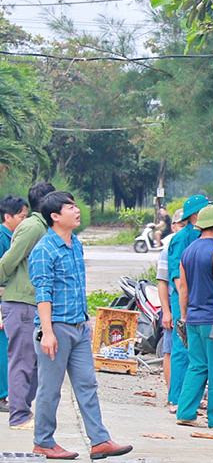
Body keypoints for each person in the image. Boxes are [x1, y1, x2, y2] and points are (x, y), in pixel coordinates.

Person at [29, 191, 132, 460]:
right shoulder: (44, 250)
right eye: (70, 207)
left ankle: (99, 440)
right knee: (50, 389)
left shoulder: (76, 244)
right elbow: (43, 293)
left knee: (87, 384)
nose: (77, 211)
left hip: (78, 327)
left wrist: (86, 324)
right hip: (56, 328)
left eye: (76, 206)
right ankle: (43, 442)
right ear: (54, 216)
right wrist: (48, 332)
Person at [176, 204, 213, 430]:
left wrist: (184, 315)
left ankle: (185, 412)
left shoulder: (188, 251)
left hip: (193, 318)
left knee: (197, 366)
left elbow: (183, 288)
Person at [0, 181, 54, 429]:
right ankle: (19, 414)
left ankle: (25, 410)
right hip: (21, 303)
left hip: (35, 303)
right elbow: (8, 262)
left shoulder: (45, 228)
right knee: (22, 361)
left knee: (35, 362)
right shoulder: (32, 228)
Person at [163, 194, 209, 411]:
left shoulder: (205, 236)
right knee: (181, 347)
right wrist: (183, 305)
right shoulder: (181, 238)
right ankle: (175, 397)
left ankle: (190, 397)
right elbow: (177, 275)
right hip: (183, 297)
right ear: (195, 215)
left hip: (200, 297)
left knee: (197, 350)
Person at [0, 195, 28, 414]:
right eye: (21, 216)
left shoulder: (15, 237)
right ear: (7, 216)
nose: (24, 220)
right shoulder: (2, 238)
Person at [155, 208, 184, 400]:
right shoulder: (169, 249)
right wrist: (166, 311)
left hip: (188, 307)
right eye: (182, 225)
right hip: (174, 306)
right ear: (174, 226)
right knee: (171, 350)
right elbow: (162, 282)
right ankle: (172, 394)